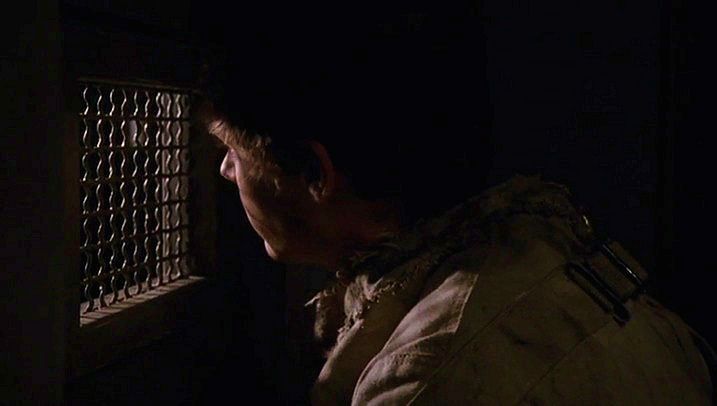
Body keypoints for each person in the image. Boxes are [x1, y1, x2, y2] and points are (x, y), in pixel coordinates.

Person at [198, 6, 715, 405]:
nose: (225, 170)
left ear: (315, 174)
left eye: (233, 151)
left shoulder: (426, 380)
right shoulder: (551, 252)